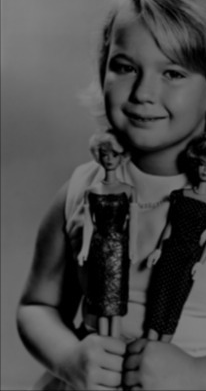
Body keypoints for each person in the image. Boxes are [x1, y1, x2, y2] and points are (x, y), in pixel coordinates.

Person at [17, 0, 206, 390]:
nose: (143, 91)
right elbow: (37, 305)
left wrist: (199, 375)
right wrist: (69, 357)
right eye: (125, 67)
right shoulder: (82, 190)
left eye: (173, 73)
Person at [145, 131, 206, 342]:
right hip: (168, 253)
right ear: (195, 163)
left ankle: (163, 346)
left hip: (189, 258)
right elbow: (169, 225)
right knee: (158, 298)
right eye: (202, 164)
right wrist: (158, 249)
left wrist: (200, 262)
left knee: (176, 301)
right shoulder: (180, 195)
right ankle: (149, 343)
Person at [78, 131, 139, 339]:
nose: (110, 159)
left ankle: (115, 342)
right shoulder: (91, 190)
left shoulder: (129, 190)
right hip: (98, 246)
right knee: (101, 299)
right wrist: (84, 250)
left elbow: (134, 223)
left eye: (114, 155)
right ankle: (104, 341)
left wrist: (132, 248)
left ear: (122, 156)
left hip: (119, 248)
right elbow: (88, 223)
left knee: (116, 298)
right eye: (105, 154)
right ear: (98, 156)